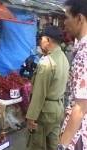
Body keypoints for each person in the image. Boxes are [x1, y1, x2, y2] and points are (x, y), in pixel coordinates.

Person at [26, 25, 70, 150]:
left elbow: (39, 93)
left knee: (37, 145)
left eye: (42, 39)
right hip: (57, 109)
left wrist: (31, 117)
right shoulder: (64, 58)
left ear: (48, 40)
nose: (40, 42)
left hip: (44, 112)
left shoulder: (47, 62)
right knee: (53, 145)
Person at [58, 0, 87, 149]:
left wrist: (62, 145)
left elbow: (80, 107)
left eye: (67, 17)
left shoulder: (84, 54)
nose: (64, 23)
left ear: (80, 19)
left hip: (78, 136)